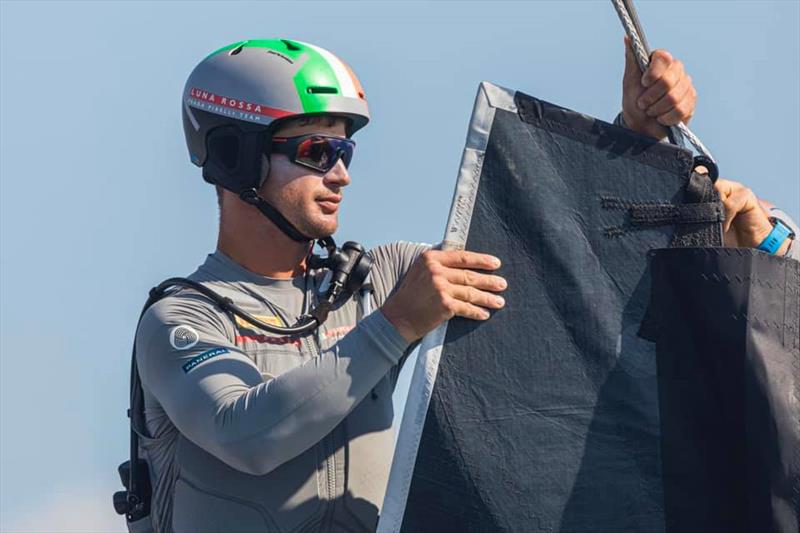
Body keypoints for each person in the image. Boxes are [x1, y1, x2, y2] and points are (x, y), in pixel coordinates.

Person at [133, 39, 796, 533]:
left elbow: (556, 262)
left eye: (345, 152)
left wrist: (635, 140)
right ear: (233, 159)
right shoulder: (183, 318)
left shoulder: (379, 279)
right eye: (314, 152)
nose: (340, 174)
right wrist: (393, 325)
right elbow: (246, 433)